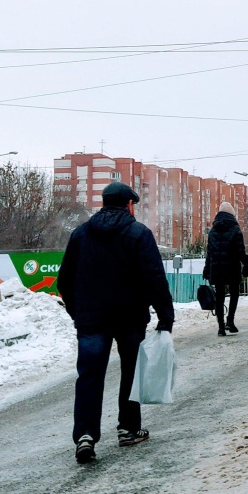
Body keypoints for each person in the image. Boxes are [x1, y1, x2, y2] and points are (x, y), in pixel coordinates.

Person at [57, 181, 174, 465]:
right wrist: (165, 316)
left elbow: (64, 281)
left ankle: (85, 435)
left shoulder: (81, 234)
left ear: (104, 202)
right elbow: (154, 279)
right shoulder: (138, 233)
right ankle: (128, 429)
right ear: (129, 205)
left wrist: (78, 314)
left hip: (91, 320)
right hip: (129, 318)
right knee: (131, 372)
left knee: (89, 375)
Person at [203, 202, 246, 337]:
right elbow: (240, 252)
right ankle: (230, 321)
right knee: (234, 294)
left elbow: (209, 253)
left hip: (217, 268)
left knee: (220, 296)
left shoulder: (213, 231)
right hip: (232, 268)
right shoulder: (235, 230)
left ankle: (221, 327)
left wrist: (206, 270)